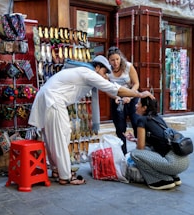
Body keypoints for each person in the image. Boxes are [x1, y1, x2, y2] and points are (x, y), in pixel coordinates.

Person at [28, 55, 154, 185]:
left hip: (47, 99)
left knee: (53, 138)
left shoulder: (83, 71)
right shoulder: (88, 73)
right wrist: (139, 94)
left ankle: (57, 170)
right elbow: (113, 89)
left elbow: (110, 87)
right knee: (61, 136)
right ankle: (65, 176)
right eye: (104, 72)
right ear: (97, 67)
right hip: (53, 100)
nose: (105, 76)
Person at [124, 97, 190, 190]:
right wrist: (135, 139)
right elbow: (157, 140)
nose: (136, 105)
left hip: (172, 164)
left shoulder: (142, 120)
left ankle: (162, 180)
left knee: (135, 154)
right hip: (183, 162)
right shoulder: (158, 118)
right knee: (150, 149)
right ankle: (174, 177)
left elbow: (140, 147)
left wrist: (137, 142)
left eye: (138, 104)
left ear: (144, 108)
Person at [107, 46, 140, 155]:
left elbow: (136, 83)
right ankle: (124, 154)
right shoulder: (107, 71)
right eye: (112, 60)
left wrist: (129, 97)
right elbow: (106, 89)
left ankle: (140, 151)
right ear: (109, 60)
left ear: (120, 58)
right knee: (120, 127)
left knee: (136, 123)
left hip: (132, 97)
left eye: (117, 59)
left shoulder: (128, 67)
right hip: (117, 99)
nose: (115, 62)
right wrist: (116, 97)